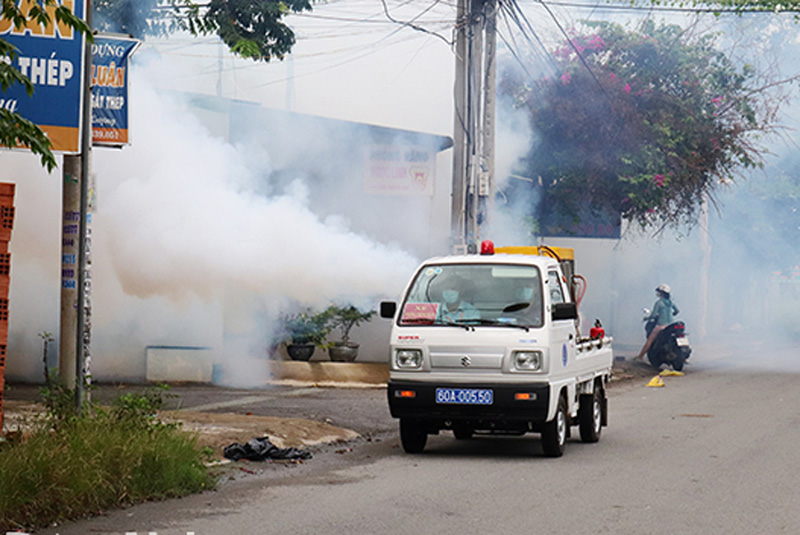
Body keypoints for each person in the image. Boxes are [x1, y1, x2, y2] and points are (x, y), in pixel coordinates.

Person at [635, 283, 679, 362]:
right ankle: (684, 358)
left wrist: (647, 318)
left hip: (661, 325)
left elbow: (653, 314)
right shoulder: (670, 302)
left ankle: (640, 356)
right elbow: (677, 311)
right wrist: (671, 314)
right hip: (671, 325)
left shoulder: (659, 303)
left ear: (661, 293)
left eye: (659, 292)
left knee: (650, 340)